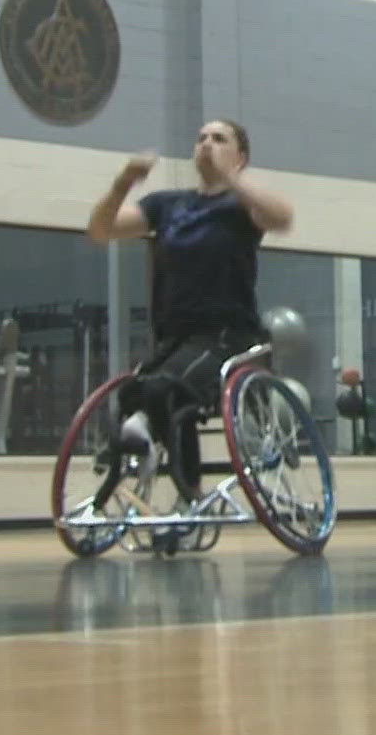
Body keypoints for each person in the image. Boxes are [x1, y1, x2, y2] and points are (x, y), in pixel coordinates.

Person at [86, 119, 295, 505]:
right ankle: (186, 488)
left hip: (227, 335)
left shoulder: (242, 207)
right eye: (200, 138)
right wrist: (123, 182)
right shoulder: (168, 204)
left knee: (168, 387)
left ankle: (153, 444)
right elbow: (100, 230)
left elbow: (283, 217)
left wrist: (232, 178)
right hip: (173, 336)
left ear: (240, 156)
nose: (206, 144)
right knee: (137, 391)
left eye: (219, 139)